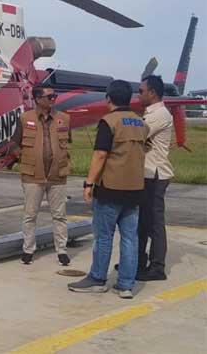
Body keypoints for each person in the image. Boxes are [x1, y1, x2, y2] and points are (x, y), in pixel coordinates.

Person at [68, 80, 148, 299]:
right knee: (130, 238)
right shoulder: (141, 122)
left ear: (108, 99)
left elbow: (100, 154)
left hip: (111, 188)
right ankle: (125, 285)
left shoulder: (108, 121)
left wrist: (89, 183)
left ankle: (97, 278)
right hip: (135, 189)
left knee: (104, 236)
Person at [12, 84, 72, 266]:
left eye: (55, 96)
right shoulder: (24, 118)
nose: (54, 99)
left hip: (57, 175)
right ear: (38, 99)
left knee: (60, 215)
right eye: (50, 97)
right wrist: (21, 156)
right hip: (32, 175)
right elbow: (15, 143)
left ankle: (62, 251)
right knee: (30, 215)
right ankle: (28, 250)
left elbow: (67, 141)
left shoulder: (64, 119)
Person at [137, 75, 172, 281]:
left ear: (152, 93)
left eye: (141, 91)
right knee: (143, 221)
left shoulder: (158, 114)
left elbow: (136, 134)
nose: (139, 94)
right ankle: (139, 261)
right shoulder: (151, 113)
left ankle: (157, 266)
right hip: (147, 173)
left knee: (154, 222)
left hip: (155, 174)